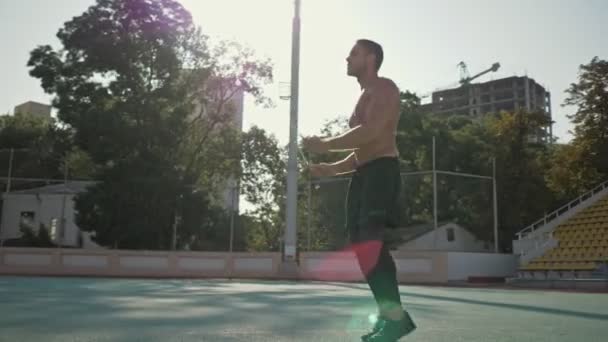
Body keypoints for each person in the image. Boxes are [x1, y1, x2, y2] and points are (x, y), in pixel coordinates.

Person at [302, 39, 416, 342]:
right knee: (362, 246)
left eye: (353, 53)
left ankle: (395, 319)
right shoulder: (363, 97)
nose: (347, 58)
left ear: (371, 57)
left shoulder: (384, 88)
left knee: (370, 241)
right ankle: (391, 316)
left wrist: (325, 144)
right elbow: (360, 152)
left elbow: (373, 133)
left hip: (382, 172)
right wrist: (328, 169)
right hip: (365, 172)